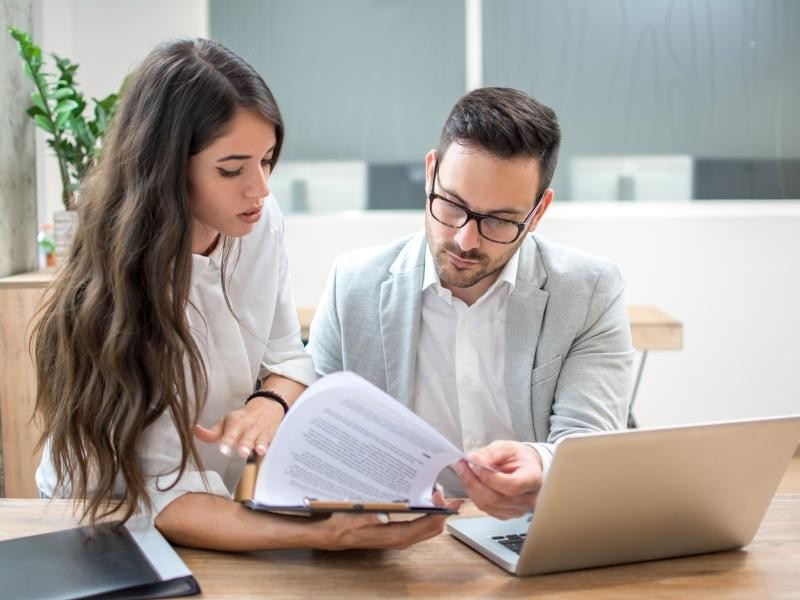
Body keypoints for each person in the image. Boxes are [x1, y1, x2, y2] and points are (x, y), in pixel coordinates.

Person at [33, 38, 458, 551]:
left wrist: (269, 402)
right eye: (231, 169)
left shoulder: (257, 223)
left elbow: (286, 354)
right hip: (104, 518)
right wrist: (325, 537)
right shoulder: (123, 290)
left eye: (268, 159)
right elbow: (162, 496)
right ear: (166, 168)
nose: (260, 189)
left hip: (208, 506)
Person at [307, 87, 635, 520]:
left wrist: (541, 464)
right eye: (452, 205)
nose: (465, 239)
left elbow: (588, 444)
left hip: (532, 534)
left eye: (499, 220)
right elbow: (317, 441)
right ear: (430, 174)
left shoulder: (588, 291)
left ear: (538, 213)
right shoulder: (353, 286)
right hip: (395, 545)